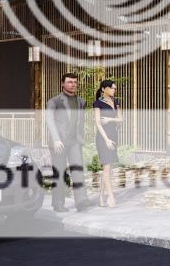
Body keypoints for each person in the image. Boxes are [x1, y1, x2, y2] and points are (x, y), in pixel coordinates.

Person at [45, 73, 92, 212]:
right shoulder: (54, 101)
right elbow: (50, 121)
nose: (73, 84)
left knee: (78, 171)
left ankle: (81, 200)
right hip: (59, 142)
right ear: (62, 84)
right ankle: (58, 202)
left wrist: (81, 138)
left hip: (74, 141)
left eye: (75, 82)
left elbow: (80, 122)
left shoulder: (81, 102)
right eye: (70, 82)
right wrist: (56, 139)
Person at [93, 79, 123, 207]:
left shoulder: (116, 102)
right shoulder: (98, 103)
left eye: (115, 88)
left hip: (113, 136)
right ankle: (111, 197)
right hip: (103, 138)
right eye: (112, 88)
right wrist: (106, 140)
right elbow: (98, 123)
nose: (114, 90)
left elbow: (121, 119)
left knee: (107, 169)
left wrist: (111, 119)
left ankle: (100, 197)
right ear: (104, 89)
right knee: (107, 167)